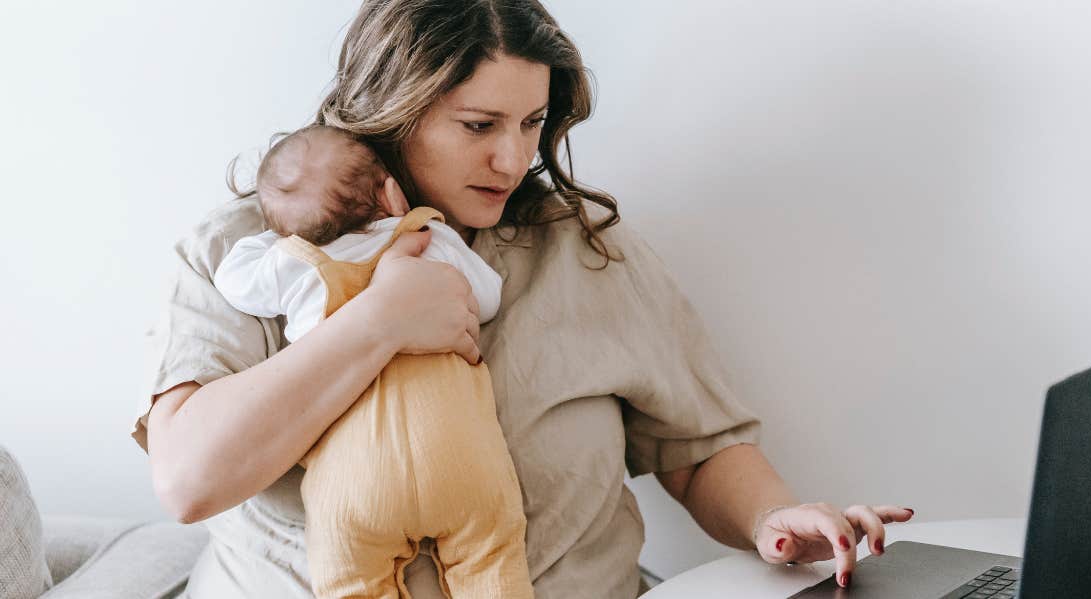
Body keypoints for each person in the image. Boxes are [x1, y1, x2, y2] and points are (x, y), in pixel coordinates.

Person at [134, 1, 915, 597]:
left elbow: (699, 446)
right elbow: (189, 479)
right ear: (390, 108)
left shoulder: (584, 250)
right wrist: (376, 323)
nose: (512, 158)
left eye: (532, 123)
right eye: (479, 124)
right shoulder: (249, 250)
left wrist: (769, 519)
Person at [213, 124, 531, 598]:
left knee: (351, 581)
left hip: (355, 485)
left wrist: (279, 239)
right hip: (460, 462)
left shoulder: (298, 265)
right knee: (492, 557)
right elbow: (486, 297)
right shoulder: (428, 238)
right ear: (393, 192)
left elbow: (233, 280)